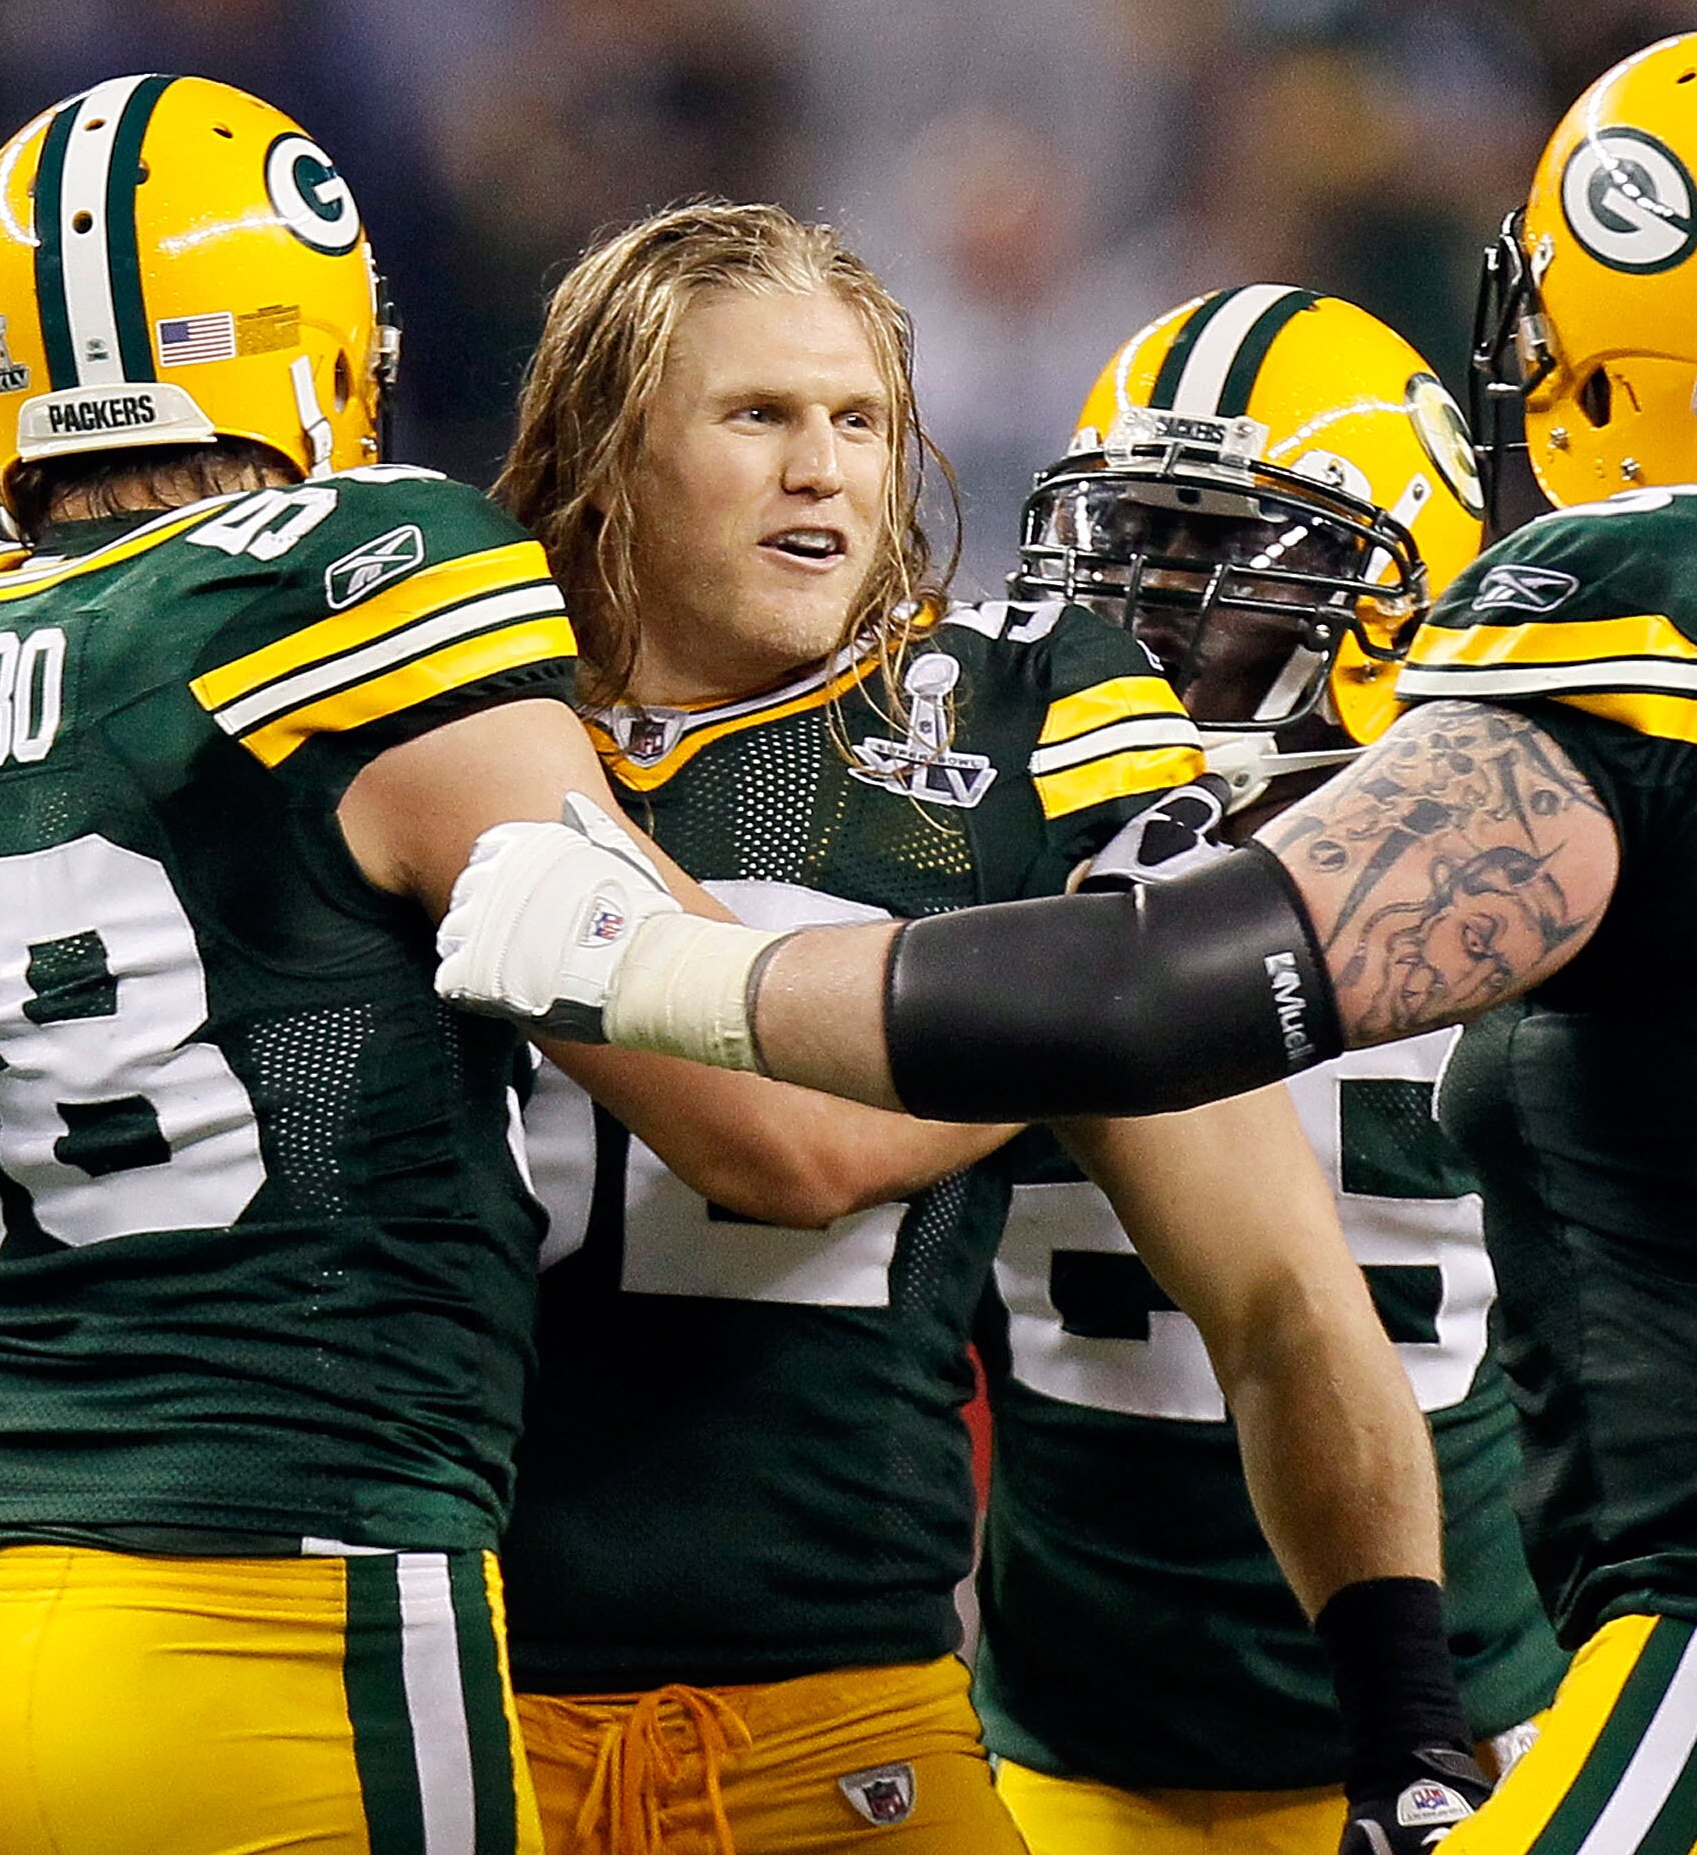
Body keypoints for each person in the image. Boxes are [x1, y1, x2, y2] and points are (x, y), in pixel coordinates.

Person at [435, 30, 1697, 1854]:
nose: (1157, 622)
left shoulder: (1652, 610)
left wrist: (652, 962)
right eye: (1132, 549)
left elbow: (1153, 995)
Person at [0, 78, 1060, 1855]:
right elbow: (770, 1136)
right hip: (279, 1610)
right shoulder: (372, 587)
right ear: (320, 341)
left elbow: (11, 1193)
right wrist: (1089, 1010)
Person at [475, 205, 1478, 1855]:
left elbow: (1284, 1292)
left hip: (843, 1700)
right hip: (438, 1668)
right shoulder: (437, 717)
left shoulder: (1023, 726)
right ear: (607, 446)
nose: (824, 471)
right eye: (758, 417)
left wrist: (1405, 1718)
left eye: (858, 421)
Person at [975, 287, 1566, 1855]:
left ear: (1397, 590)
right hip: (1058, 1745)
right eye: (1129, 536)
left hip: (1469, 1728)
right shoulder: (997, 841)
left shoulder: (1523, 876)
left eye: (1228, 543)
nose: (1152, 600)